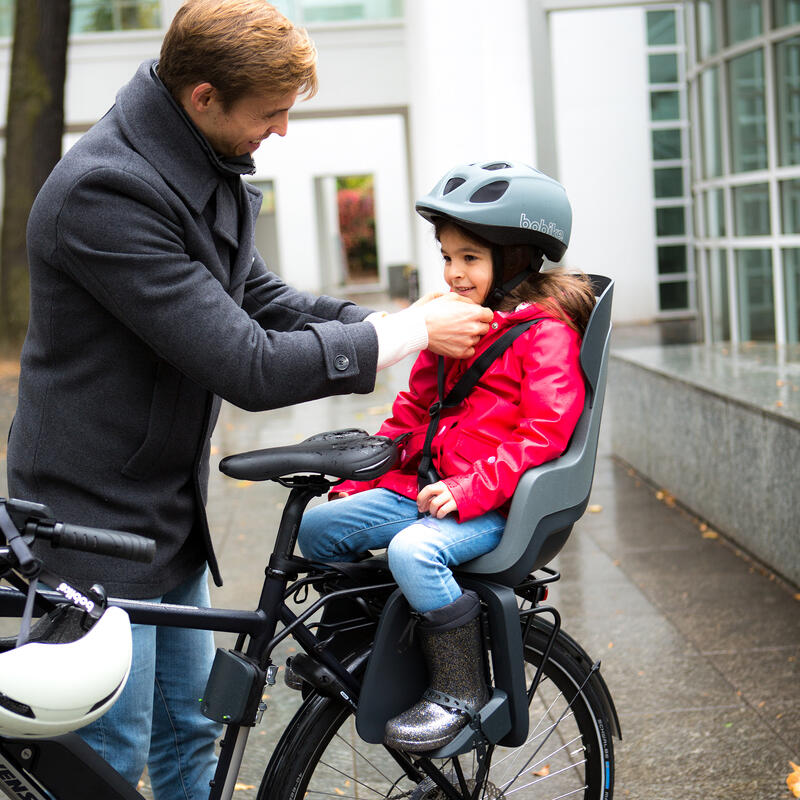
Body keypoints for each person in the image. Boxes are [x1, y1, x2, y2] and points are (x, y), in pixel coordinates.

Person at [5, 1, 492, 796]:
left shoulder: (197, 161)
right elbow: (249, 364)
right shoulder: (106, 192)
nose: (283, 131)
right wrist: (401, 334)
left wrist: (386, 326)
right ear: (203, 96)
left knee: (192, 730)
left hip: (163, 509)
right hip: (92, 528)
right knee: (109, 763)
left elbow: (261, 298)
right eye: (270, 115)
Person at [297, 160, 596, 753]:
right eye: (447, 256)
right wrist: (360, 482)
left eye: (470, 259)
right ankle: (356, 649)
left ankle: (459, 690)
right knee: (318, 526)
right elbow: (411, 417)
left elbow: (544, 434)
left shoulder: (545, 337)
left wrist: (468, 490)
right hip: (428, 491)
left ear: (513, 261)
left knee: (414, 551)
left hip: (495, 504)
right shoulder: (452, 327)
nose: (454, 273)